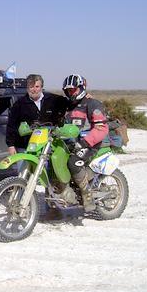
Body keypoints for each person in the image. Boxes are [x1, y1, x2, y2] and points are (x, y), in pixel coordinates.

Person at [62, 74, 109, 211]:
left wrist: (84, 143)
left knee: (73, 162)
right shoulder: (67, 105)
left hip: (90, 143)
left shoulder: (93, 104)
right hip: (71, 143)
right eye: (69, 91)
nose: (71, 93)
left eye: (74, 90)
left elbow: (101, 128)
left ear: (82, 88)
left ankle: (86, 194)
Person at [6, 74, 69, 155]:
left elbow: (72, 103)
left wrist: (84, 97)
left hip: (48, 146)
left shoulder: (54, 100)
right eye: (31, 87)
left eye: (37, 86)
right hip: (25, 147)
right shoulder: (19, 104)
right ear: (27, 88)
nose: (34, 90)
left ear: (41, 87)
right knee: (25, 168)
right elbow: (11, 125)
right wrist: (11, 145)